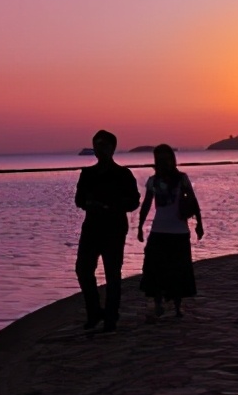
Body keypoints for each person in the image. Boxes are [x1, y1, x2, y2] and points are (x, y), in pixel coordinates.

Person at [74, 129, 141, 332]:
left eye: (103, 145)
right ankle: (94, 312)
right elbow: (79, 200)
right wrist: (90, 203)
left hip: (114, 229)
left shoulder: (123, 174)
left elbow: (133, 201)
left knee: (112, 273)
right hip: (92, 228)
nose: (99, 149)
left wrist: (112, 204)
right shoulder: (87, 174)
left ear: (112, 148)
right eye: (96, 145)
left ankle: (111, 316)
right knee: (83, 270)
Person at [137, 144, 203, 318]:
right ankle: (158, 303)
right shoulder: (153, 181)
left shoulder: (182, 179)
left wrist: (199, 224)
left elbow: (194, 201)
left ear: (172, 159)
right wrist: (140, 227)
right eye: (159, 158)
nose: (163, 161)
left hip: (179, 231)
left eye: (166, 158)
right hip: (159, 230)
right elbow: (146, 204)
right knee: (155, 269)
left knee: (179, 270)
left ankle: (177, 306)